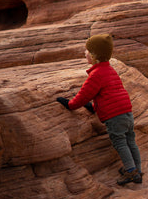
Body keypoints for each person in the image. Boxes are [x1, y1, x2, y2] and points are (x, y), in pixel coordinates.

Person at [56, 33, 142, 186]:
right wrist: (94, 107)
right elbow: (109, 94)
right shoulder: (110, 70)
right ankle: (137, 170)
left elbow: (84, 95)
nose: (85, 53)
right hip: (126, 112)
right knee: (130, 141)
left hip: (115, 117)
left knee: (120, 142)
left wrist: (70, 105)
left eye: (87, 51)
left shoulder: (96, 75)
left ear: (94, 55)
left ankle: (131, 171)